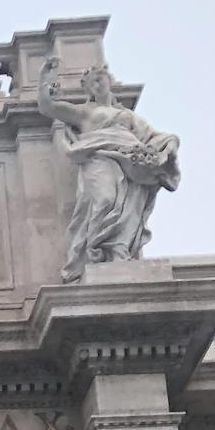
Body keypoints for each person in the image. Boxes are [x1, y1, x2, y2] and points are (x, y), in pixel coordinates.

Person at [37, 59, 180, 282]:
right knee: (105, 199)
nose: (97, 84)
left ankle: (117, 252)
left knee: (127, 210)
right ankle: (95, 251)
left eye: (100, 79)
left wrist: (170, 145)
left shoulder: (127, 116)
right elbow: (48, 107)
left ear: (109, 81)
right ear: (87, 88)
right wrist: (44, 79)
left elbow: (156, 137)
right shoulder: (84, 113)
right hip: (100, 158)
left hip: (130, 162)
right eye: (92, 82)